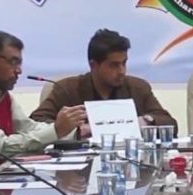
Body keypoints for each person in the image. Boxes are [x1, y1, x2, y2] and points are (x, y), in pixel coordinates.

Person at [0, 31, 85, 159]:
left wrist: (73, 131)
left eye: (20, 63)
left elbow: (28, 127)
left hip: (6, 169)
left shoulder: (3, 94)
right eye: (13, 62)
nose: (19, 70)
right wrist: (55, 131)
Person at [30, 29, 177, 137]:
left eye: (124, 63)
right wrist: (74, 130)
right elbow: (35, 123)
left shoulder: (138, 87)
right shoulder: (67, 89)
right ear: (93, 65)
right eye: (114, 65)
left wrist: (146, 121)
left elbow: (170, 124)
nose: (122, 71)